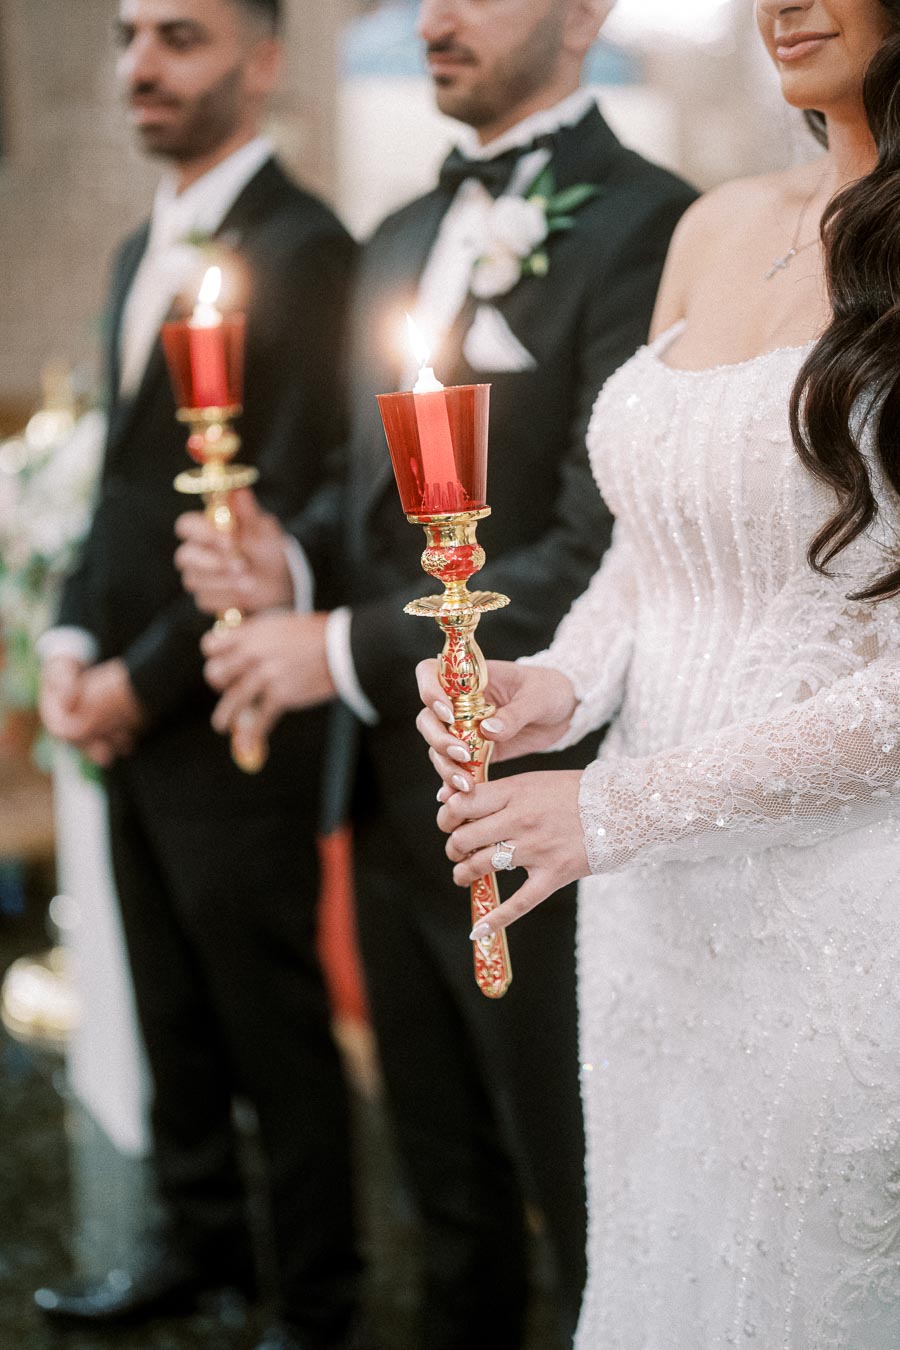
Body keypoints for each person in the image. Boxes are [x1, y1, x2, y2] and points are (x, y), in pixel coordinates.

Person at [175, 2, 696, 1344]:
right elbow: (367, 512)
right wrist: (287, 572)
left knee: (582, 1199)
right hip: (388, 797)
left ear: (586, 15)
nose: (438, 16)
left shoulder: (659, 229)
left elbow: (603, 547)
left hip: (545, 801)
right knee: (442, 1197)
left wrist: (331, 644)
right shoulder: (399, 237)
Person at [415, 0, 900, 1344]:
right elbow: (649, 547)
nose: (785, 4)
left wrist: (618, 808)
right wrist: (558, 689)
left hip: (844, 919)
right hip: (648, 923)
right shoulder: (714, 222)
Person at [35, 3, 361, 1348]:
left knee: (269, 1019)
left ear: (263, 60)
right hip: (123, 699)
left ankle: (322, 1300)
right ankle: (200, 1242)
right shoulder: (135, 249)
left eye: (181, 35)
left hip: (229, 702)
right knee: (166, 991)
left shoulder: (308, 249)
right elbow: (116, 484)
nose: (141, 67)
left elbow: (283, 497)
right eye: (126, 38)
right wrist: (67, 639)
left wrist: (142, 679)